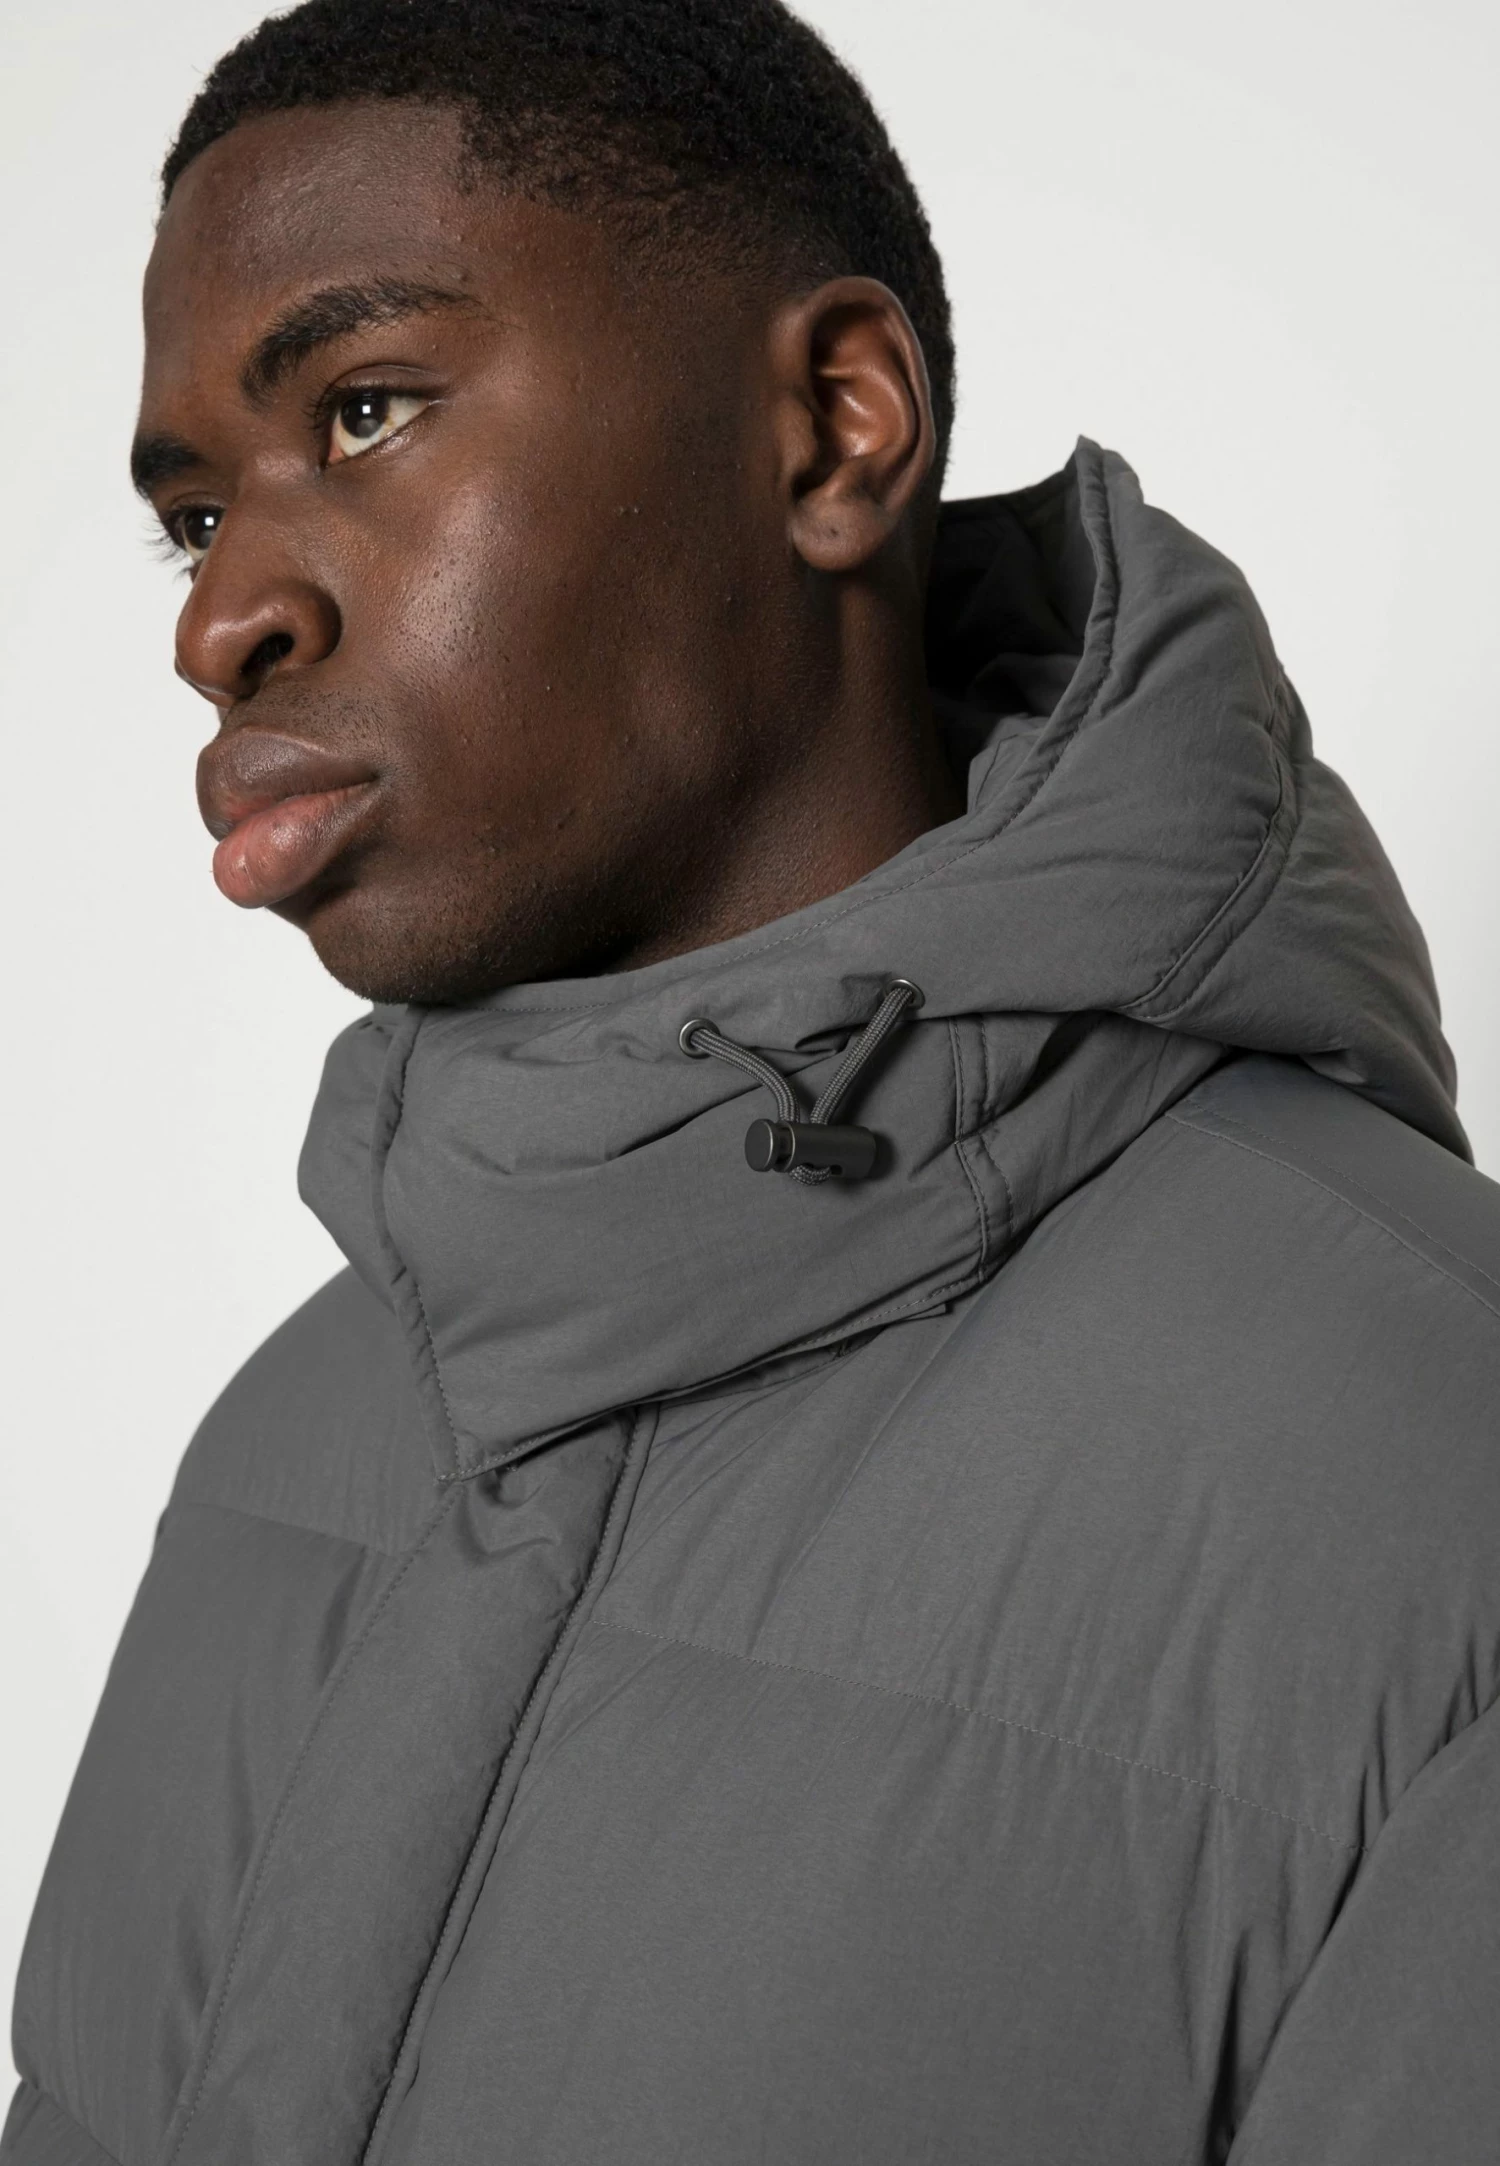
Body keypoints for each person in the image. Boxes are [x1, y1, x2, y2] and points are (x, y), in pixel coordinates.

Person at [6, 0, 1498, 2160]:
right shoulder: (296, 1430)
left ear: (831, 430)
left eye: (367, 409)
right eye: (192, 513)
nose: (219, 619)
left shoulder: (1436, 1486)